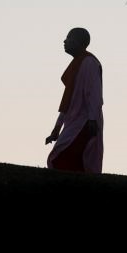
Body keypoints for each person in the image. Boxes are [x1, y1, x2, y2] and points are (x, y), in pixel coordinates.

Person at [45, 27, 104, 173]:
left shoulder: (89, 62)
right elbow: (68, 101)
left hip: (85, 121)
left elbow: (94, 93)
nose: (65, 41)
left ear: (79, 41)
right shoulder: (77, 64)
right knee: (61, 156)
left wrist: (91, 119)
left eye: (69, 38)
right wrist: (56, 129)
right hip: (74, 120)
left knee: (62, 155)